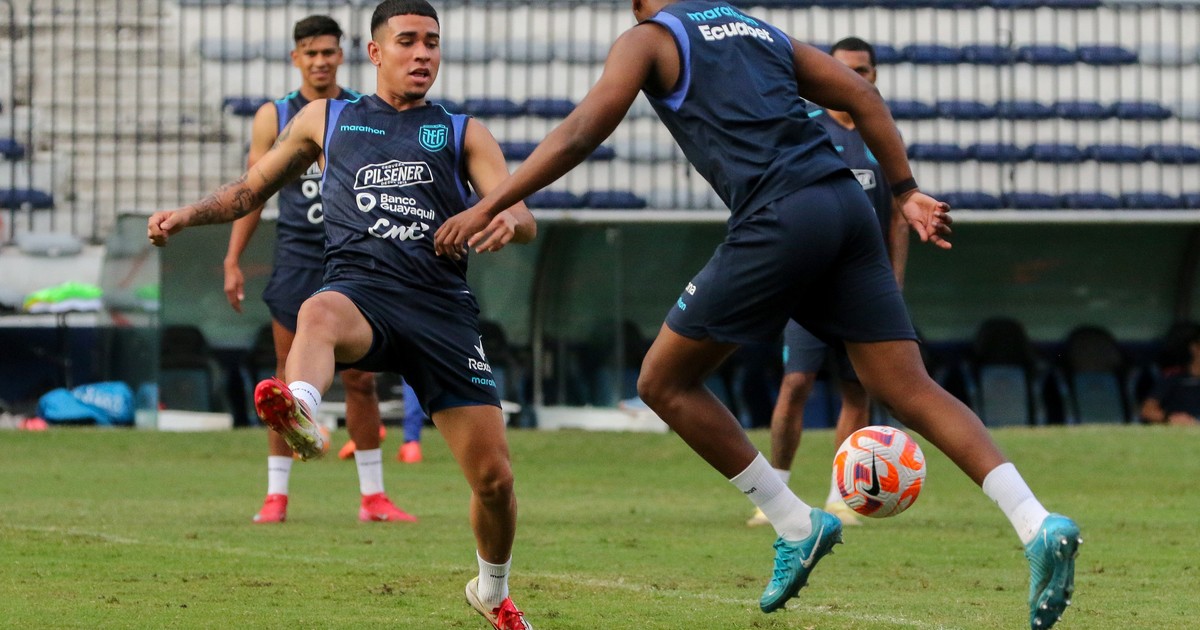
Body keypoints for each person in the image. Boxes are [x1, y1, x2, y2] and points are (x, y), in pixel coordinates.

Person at [434, 2, 1080, 628]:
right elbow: (862, 96)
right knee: (906, 385)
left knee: (663, 382)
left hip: (781, 215)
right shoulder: (751, 26)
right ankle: (1036, 522)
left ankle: (795, 524)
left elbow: (581, 132)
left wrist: (491, 203)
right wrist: (906, 191)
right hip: (846, 207)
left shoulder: (650, 39)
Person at [149, 2, 536, 628]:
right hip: (362, 294)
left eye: (432, 42)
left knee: (494, 481)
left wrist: (497, 219)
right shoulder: (326, 119)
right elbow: (249, 189)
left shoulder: (462, 131)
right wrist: (187, 215)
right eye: (407, 41)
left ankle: (492, 589)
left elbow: (522, 216)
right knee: (319, 310)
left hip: (441, 311)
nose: (423, 54)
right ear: (375, 52)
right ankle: (300, 408)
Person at [222, 15, 414, 525]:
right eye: (311, 53)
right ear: (297, 58)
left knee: (361, 379)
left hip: (349, 255)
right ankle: (276, 495)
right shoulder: (275, 115)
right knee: (285, 379)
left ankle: (373, 497)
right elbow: (253, 191)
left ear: (341, 56)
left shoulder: (357, 112)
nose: (321, 61)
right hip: (296, 257)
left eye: (329, 52)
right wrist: (233, 258)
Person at [746, 36, 908, 530]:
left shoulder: (881, 130)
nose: (855, 78)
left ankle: (842, 497)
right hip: (810, 285)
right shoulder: (807, 128)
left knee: (856, 391)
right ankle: (774, 492)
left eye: (863, 70)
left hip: (863, 289)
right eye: (845, 69)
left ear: (874, 75)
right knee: (796, 383)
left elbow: (899, 216)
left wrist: (894, 283)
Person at [1140, 328, 1200, 425]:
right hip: (1182, 430)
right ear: (1194, 348)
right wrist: (1170, 418)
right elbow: (1147, 411)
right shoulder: (1174, 377)